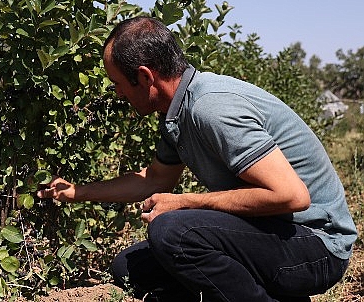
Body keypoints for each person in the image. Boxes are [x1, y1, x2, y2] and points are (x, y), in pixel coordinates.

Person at [37, 16, 357, 301]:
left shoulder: (210, 108)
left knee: (173, 232)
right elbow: (155, 179)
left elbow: (292, 196)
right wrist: (77, 192)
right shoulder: (176, 114)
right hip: (274, 234)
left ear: (146, 77)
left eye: (119, 84)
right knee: (130, 268)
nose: (118, 94)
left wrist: (186, 201)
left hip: (317, 244)